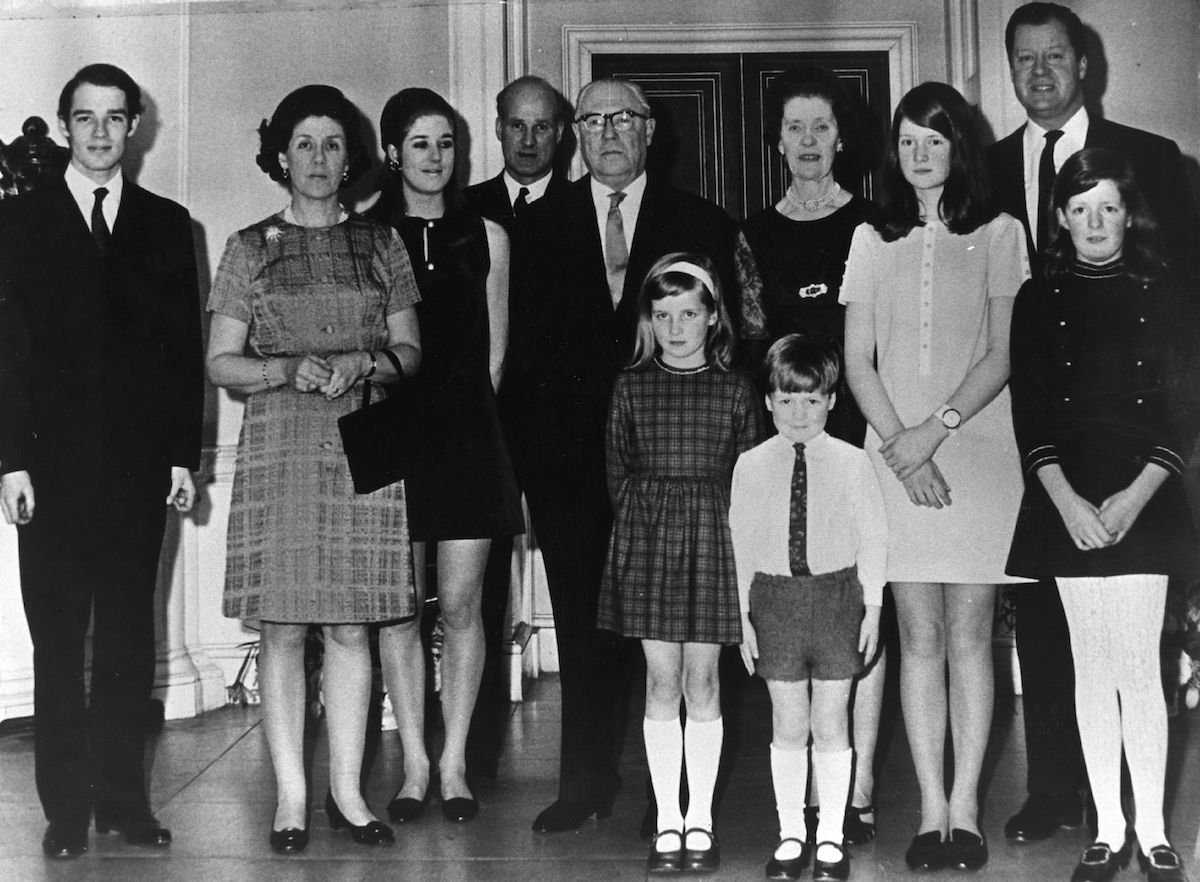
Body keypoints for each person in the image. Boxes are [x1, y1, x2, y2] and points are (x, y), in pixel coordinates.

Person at [986, 2, 1200, 844]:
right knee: (1047, 621)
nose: (1040, 73)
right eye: (1024, 59)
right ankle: (1055, 793)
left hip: (1137, 432)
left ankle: (1137, 811)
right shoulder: (992, 165)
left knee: (1133, 641)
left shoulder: (1151, 159)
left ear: (1086, 66)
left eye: (1055, 57)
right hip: (1033, 427)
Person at [516, 76, 737, 834]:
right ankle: (584, 781)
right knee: (582, 624)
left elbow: (731, 350)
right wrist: (526, 472)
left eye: (623, 118)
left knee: (674, 632)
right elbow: (522, 359)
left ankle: (671, 795)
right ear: (576, 132)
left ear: (650, 131)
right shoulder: (539, 224)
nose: (608, 131)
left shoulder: (699, 221)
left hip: (673, 467)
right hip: (570, 468)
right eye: (592, 118)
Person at [206, 84, 421, 853]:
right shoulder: (246, 247)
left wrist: (365, 360)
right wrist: (285, 369)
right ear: (280, 154)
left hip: (364, 438)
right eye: (304, 143)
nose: (320, 159)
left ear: (351, 155)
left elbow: (410, 353)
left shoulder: (382, 245)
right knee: (284, 624)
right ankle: (291, 798)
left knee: (352, 622)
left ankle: (347, 795)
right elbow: (221, 362)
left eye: (333, 144)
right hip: (282, 440)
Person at [0, 63, 202, 859]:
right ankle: (64, 812)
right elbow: (5, 355)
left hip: (136, 476)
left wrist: (183, 458)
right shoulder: (15, 224)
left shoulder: (167, 224)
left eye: (115, 118)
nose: (99, 133)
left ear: (135, 127)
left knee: (125, 642)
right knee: (57, 644)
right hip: (44, 479)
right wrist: (9, 460)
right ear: (66, 124)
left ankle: (125, 802)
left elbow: (182, 355)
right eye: (84, 118)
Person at [840, 82, 1029, 872]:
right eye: (908, 142)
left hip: (979, 455)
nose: (920, 156)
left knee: (969, 637)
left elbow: (1002, 353)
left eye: (936, 141)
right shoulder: (870, 237)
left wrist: (934, 434)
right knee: (916, 636)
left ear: (961, 148)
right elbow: (857, 361)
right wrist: (900, 447)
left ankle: (968, 810)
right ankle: (927, 809)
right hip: (895, 461)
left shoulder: (1001, 231)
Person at [735, 65, 884, 846]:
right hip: (789, 435)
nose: (808, 142)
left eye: (821, 127)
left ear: (842, 136)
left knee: (855, 609)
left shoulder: (873, 226)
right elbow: (753, 345)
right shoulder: (754, 235)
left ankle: (855, 789)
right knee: (798, 609)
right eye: (794, 127)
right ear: (777, 139)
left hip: (861, 437)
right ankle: (804, 795)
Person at [368, 87, 522, 825]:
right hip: (391, 435)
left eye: (447, 143)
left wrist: (463, 418)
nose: (435, 156)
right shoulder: (363, 235)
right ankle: (415, 766)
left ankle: (456, 761)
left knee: (461, 606)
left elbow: (494, 355)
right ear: (393, 152)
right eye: (420, 142)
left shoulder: (487, 234)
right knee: (398, 609)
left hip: (468, 434)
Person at [597, 253, 761, 874]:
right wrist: (646, 529)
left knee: (705, 682)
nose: (675, 326)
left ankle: (702, 821)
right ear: (648, 319)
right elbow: (618, 471)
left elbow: (747, 481)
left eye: (689, 313)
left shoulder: (735, 390)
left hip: (716, 543)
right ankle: (668, 818)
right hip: (650, 544)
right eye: (662, 314)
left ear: (713, 317)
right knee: (661, 682)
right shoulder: (631, 386)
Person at [732, 334, 887, 882]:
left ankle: (831, 837)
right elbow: (741, 542)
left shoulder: (852, 463)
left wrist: (871, 607)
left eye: (813, 399)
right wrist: (742, 619)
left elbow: (873, 536)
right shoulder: (750, 465)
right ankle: (791, 832)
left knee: (831, 722)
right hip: (774, 601)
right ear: (768, 399)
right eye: (787, 398)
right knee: (789, 724)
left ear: (832, 400)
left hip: (837, 598)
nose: (800, 412)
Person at [462, 75, 571, 778]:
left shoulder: (587, 209)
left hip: (563, 432)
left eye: (542, 127)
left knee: (581, 593)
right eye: (516, 126)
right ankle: (467, 762)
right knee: (476, 600)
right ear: (497, 129)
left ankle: (588, 771)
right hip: (482, 432)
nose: (528, 141)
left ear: (560, 133)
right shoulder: (462, 210)